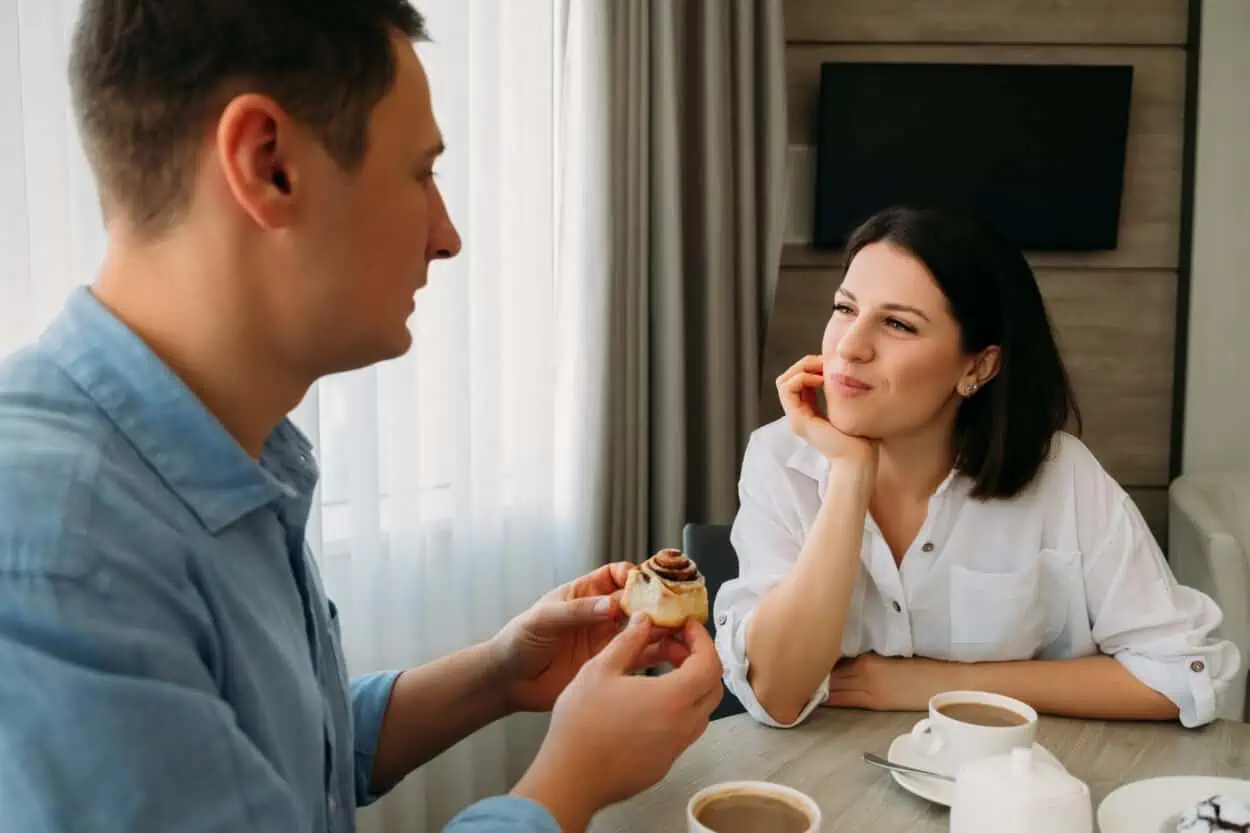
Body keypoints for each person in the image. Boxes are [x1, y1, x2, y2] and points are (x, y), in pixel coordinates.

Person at [0, 3, 724, 832]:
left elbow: (287, 760)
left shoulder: (230, 454)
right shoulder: (58, 557)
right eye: (420, 173)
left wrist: (497, 673)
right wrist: (567, 782)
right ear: (267, 164)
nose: (446, 236)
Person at [714, 205, 1240, 730]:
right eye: (846, 309)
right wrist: (850, 479)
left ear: (978, 366)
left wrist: (932, 684)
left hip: (1017, 786)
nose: (849, 347)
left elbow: (1181, 674)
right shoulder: (781, 458)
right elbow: (776, 695)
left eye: (897, 323)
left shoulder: (1060, 475)